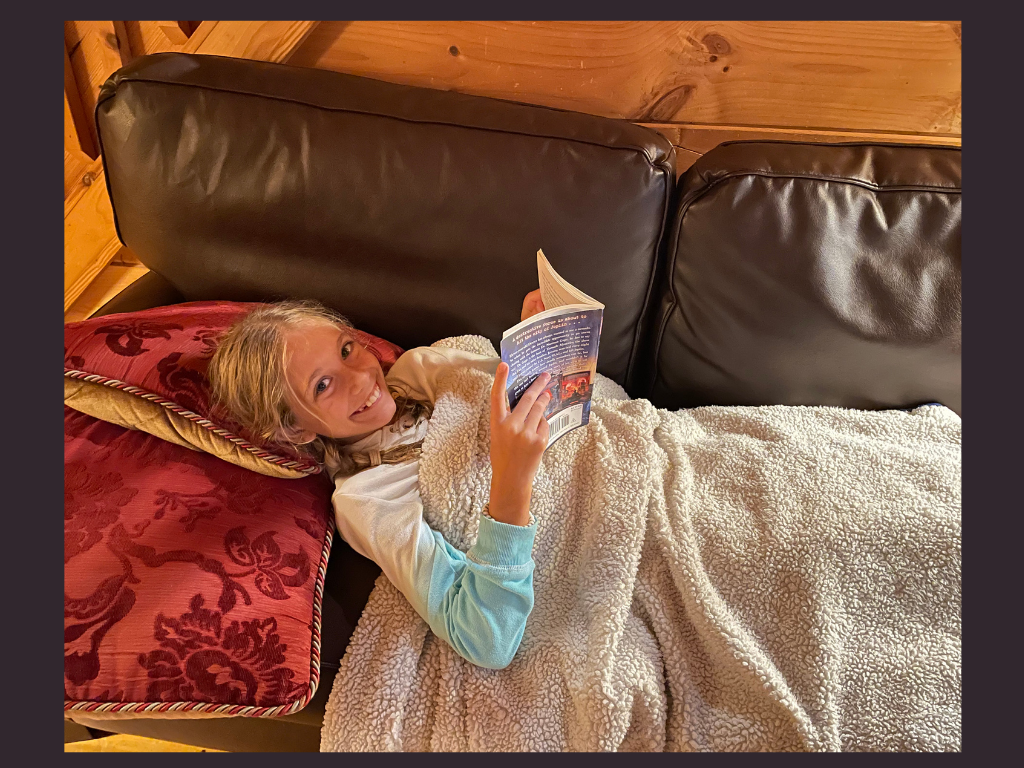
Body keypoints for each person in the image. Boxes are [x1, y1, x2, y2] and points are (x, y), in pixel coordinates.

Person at [208, 291, 551, 669]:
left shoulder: (421, 367)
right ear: (295, 430)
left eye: (346, 350)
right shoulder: (365, 498)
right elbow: (486, 639)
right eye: (323, 385)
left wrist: (533, 349)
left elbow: (534, 399)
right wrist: (511, 483)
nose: (359, 377)